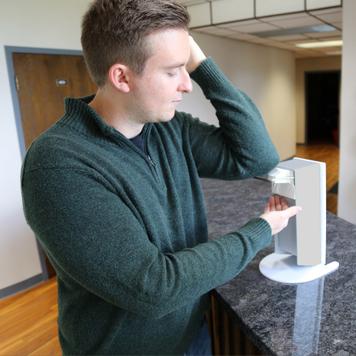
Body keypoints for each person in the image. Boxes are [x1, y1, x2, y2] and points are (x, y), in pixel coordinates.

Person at [21, 0, 301, 354]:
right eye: (172, 71)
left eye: (187, 69)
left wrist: (199, 62)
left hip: (192, 334)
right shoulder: (58, 166)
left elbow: (257, 158)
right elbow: (154, 288)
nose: (187, 85)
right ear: (121, 76)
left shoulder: (170, 129)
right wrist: (260, 229)